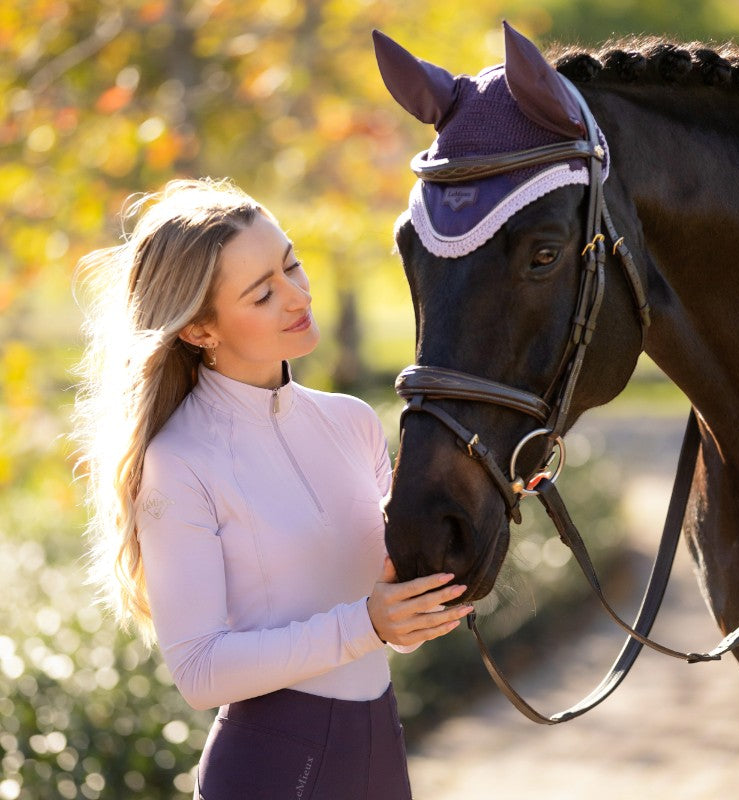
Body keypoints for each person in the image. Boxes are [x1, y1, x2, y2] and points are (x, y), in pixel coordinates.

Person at [72, 178, 474, 799]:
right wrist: (366, 624)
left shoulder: (353, 421)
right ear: (200, 329)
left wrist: (476, 500)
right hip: (270, 771)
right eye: (263, 294)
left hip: (380, 757)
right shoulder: (180, 462)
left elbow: (380, 591)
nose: (297, 296)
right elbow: (200, 670)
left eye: (291, 264)